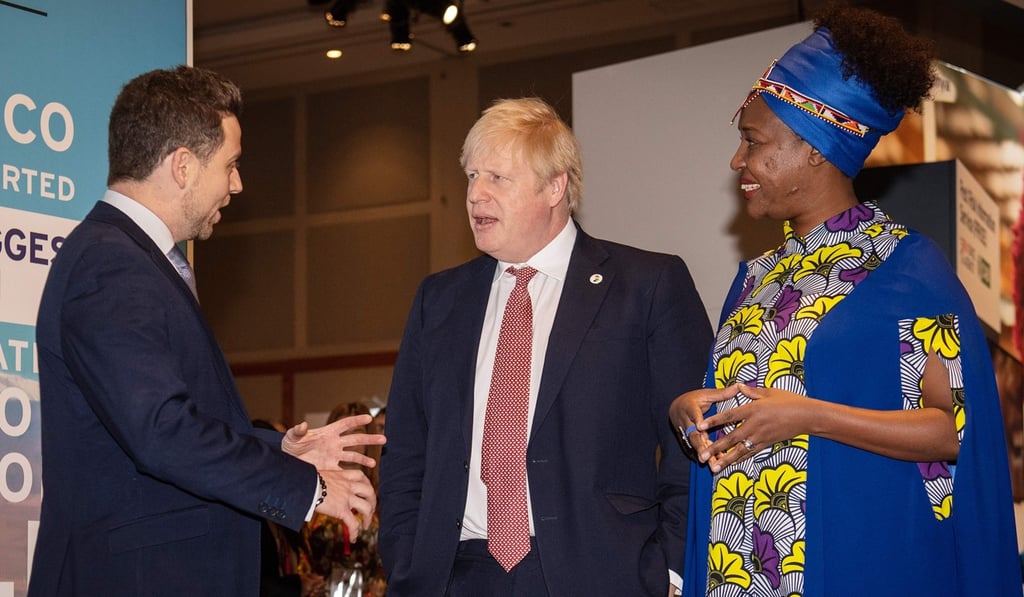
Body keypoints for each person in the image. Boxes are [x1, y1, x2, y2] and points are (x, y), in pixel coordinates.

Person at [669, 5, 1022, 595]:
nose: (738, 161)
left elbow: (949, 430)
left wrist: (807, 415)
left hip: (852, 561)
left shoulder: (908, 270)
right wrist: (693, 409)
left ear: (814, 147)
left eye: (753, 142)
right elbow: (750, 406)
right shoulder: (755, 278)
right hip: (738, 567)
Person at [29, 65, 384, 597]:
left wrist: (280, 451)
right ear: (183, 166)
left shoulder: (134, 260)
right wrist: (307, 489)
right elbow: (160, 431)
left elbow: (166, 421)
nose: (238, 184)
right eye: (231, 164)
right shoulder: (110, 264)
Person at [379, 97, 713, 596]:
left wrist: (670, 570)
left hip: (603, 575)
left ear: (555, 186)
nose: (475, 196)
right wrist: (406, 562)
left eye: (498, 178)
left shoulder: (647, 285)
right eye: (472, 176)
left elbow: (694, 442)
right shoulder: (439, 300)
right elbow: (407, 450)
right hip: (456, 574)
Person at [304, 402, 386, 597]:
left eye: (357, 432)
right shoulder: (312, 488)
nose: (350, 440)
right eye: (343, 432)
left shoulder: (383, 493)